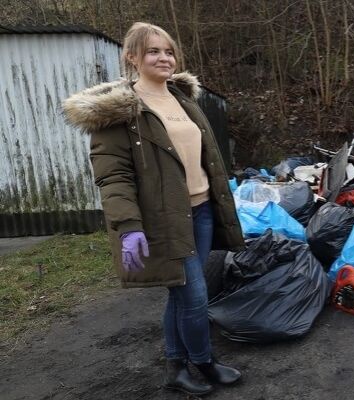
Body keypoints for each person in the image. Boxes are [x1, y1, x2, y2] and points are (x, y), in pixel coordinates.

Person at [63, 22, 245, 396]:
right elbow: (113, 176)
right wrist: (128, 226)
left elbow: (205, 158)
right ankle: (204, 362)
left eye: (169, 51)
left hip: (203, 210)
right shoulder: (119, 111)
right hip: (162, 220)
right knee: (193, 295)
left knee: (181, 292)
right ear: (132, 57)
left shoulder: (183, 98)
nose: (164, 58)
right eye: (153, 51)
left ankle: (176, 366)